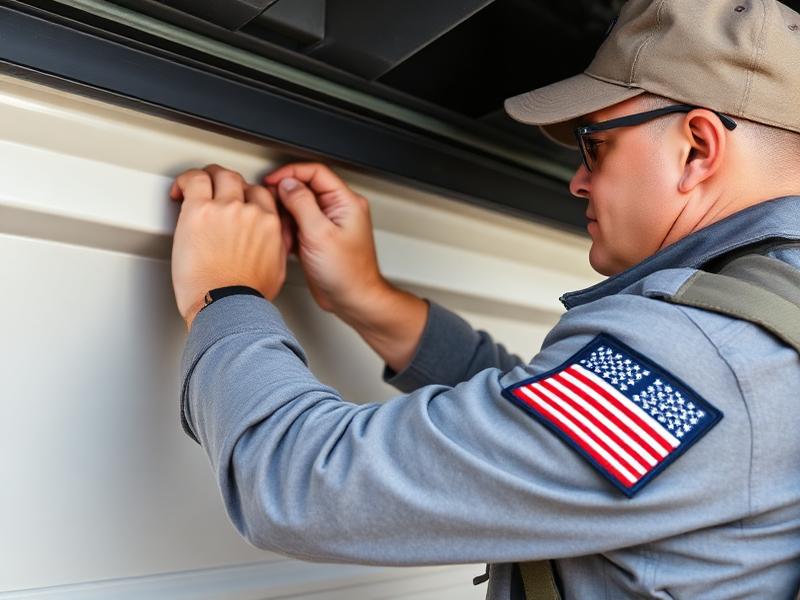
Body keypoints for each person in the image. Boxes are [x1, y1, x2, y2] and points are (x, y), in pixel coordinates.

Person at [169, 0, 800, 597]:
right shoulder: (761, 328)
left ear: (698, 147)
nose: (579, 182)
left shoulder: (704, 357)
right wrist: (371, 301)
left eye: (594, 144)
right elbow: (555, 445)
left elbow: (305, 487)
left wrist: (224, 295)